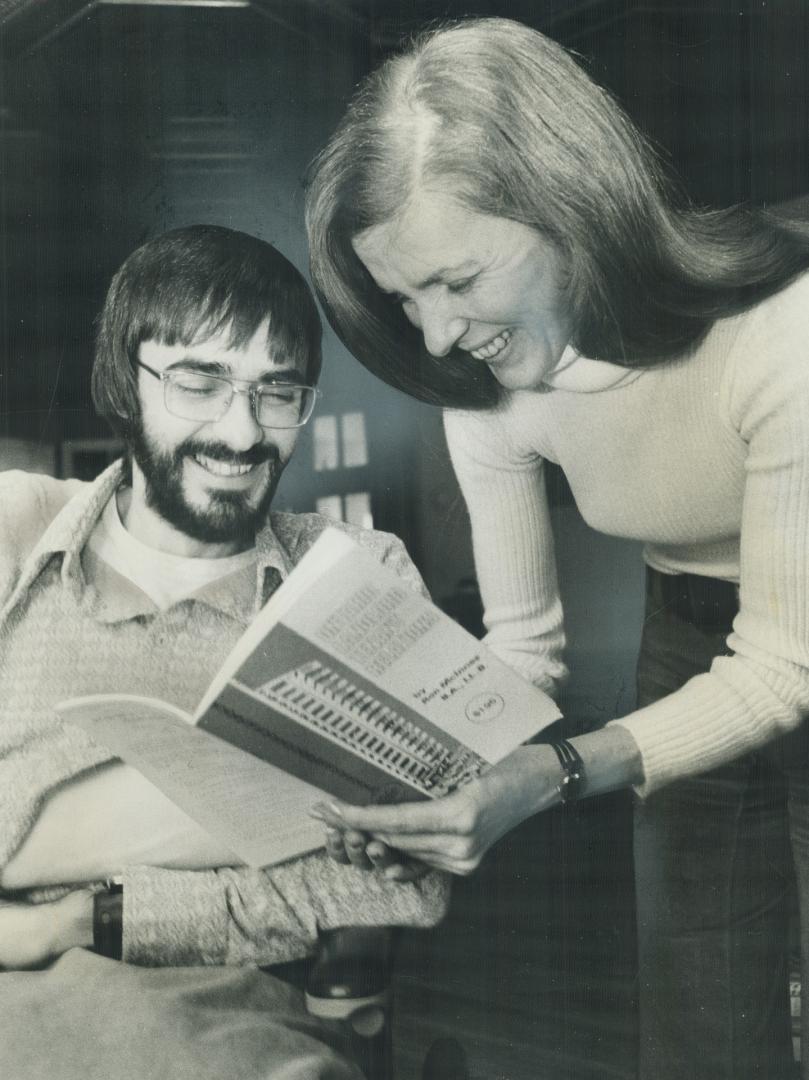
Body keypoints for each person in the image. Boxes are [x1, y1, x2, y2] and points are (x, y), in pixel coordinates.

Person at [304, 17, 809, 1080]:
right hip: (684, 631)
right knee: (698, 1028)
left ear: (571, 208)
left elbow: (777, 668)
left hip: (787, 640)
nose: (435, 335)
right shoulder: (479, 385)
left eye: (456, 280)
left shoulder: (780, 333)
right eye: (401, 296)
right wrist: (405, 773)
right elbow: (521, 652)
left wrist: (551, 772)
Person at [0, 224, 448, 1080]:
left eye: (278, 392)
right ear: (123, 383)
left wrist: (78, 918)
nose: (243, 434)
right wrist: (219, 824)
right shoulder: (16, 536)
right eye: (200, 382)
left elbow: (400, 881)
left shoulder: (357, 577)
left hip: (231, 1011)